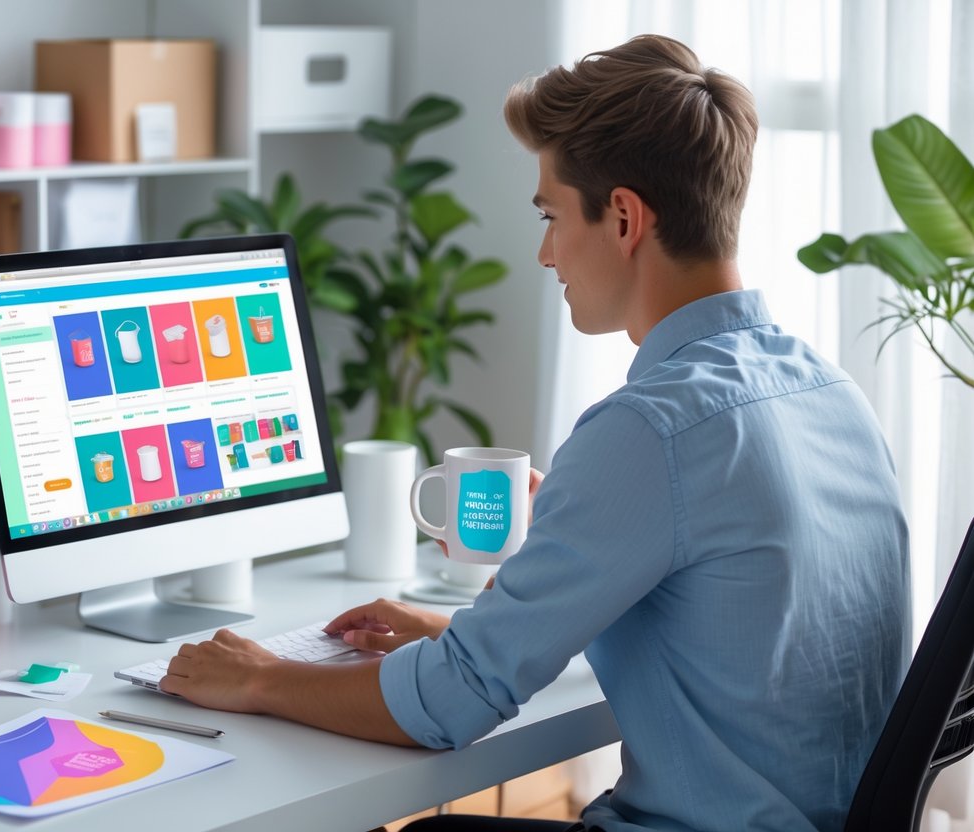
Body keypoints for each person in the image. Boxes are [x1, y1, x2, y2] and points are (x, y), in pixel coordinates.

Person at [162, 34, 911, 832]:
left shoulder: (650, 430)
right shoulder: (829, 391)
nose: (546, 253)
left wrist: (259, 676)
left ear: (623, 217)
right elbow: (737, 619)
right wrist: (544, 562)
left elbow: (446, 705)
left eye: (550, 215)